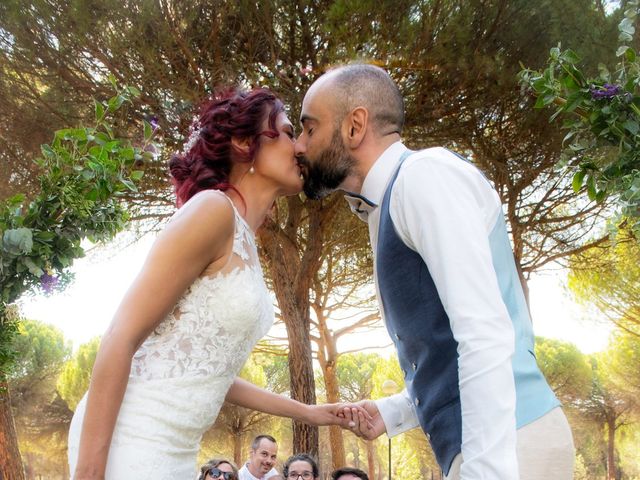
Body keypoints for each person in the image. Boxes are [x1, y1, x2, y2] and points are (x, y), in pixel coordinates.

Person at [294, 64, 575, 480]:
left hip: (510, 447)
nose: (299, 146)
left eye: (309, 129)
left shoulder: (424, 177)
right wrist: (393, 411)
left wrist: (486, 473)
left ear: (355, 126)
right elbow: (443, 346)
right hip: (494, 444)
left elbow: (483, 332)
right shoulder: (387, 202)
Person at [67, 87, 361, 479]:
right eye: (289, 132)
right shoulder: (212, 210)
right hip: (133, 436)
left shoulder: (246, 243)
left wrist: (308, 412)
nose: (300, 147)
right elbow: (121, 337)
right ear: (244, 143)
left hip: (176, 449)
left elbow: (211, 372)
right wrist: (89, 473)